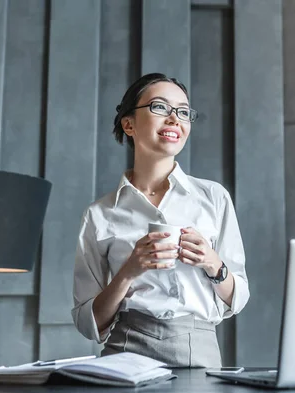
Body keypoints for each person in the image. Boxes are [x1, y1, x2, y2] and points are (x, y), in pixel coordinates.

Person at [71, 73, 250, 368]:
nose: (174, 119)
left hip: (198, 352)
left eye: (183, 111)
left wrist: (213, 264)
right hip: (125, 353)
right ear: (129, 124)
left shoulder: (214, 197)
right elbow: (88, 322)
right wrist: (129, 271)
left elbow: (239, 298)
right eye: (159, 107)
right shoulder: (99, 214)